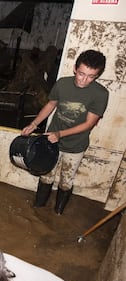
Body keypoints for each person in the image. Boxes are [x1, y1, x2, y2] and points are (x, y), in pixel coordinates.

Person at [21, 49, 109, 215]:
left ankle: (58, 213)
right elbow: (50, 105)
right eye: (81, 74)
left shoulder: (100, 94)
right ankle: (38, 209)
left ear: (97, 75)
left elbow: (89, 124)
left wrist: (60, 134)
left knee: (66, 181)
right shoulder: (62, 83)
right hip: (50, 140)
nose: (84, 80)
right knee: (46, 175)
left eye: (91, 76)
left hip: (75, 145)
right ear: (75, 68)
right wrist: (34, 124)